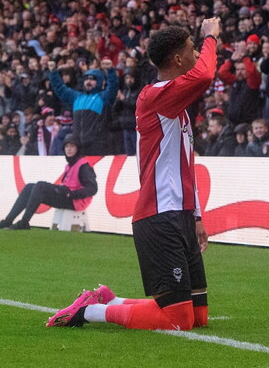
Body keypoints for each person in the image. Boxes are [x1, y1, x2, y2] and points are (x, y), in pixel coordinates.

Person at [47, 18, 219, 331]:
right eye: (193, 50)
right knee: (177, 321)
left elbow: (185, 167)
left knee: (198, 318)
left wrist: (196, 217)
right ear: (177, 59)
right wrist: (210, 37)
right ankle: (89, 313)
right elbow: (206, 73)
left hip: (180, 215)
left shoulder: (177, 107)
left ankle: (107, 301)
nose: (197, 56)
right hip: (159, 216)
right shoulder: (154, 96)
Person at [0, 134, 98, 229]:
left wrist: (72, 194)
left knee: (40, 186)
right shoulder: (70, 164)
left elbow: (93, 189)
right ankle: (8, 221)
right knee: (30, 187)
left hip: (75, 200)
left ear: (78, 149)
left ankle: (24, 221)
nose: (68, 149)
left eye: (72, 146)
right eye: (66, 146)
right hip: (66, 195)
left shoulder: (83, 165)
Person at [49, 59, 119, 157]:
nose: (88, 82)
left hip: (97, 145)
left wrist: (111, 70)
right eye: (86, 79)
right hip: (78, 145)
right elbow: (60, 89)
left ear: (99, 81)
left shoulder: (103, 97)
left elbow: (113, 88)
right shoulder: (77, 97)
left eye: (92, 79)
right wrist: (53, 72)